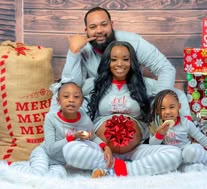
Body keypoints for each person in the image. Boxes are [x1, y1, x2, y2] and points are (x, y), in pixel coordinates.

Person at [62, 41, 182, 178]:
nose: (119, 64)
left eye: (125, 59)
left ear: (132, 62)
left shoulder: (146, 85)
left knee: (175, 155)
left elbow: (176, 95)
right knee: (69, 150)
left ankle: (116, 169)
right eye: (114, 60)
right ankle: (118, 166)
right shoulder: (93, 85)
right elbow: (73, 98)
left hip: (136, 149)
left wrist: (185, 116)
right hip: (101, 149)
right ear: (107, 62)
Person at [50, 6, 190, 116]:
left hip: (133, 92)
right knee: (61, 96)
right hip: (100, 96)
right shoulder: (82, 48)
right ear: (86, 30)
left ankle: (180, 138)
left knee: (176, 95)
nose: (99, 30)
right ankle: (62, 140)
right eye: (93, 27)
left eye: (103, 24)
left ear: (112, 24)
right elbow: (72, 86)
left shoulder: (133, 42)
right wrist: (73, 52)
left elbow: (165, 68)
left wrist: (160, 102)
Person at [1, 81, 111, 177]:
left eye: (76, 97)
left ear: (81, 102)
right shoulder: (51, 118)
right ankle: (11, 166)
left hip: (59, 162)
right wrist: (73, 137)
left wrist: (105, 147)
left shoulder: (84, 119)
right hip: (44, 153)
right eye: (66, 96)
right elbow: (51, 149)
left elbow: (93, 137)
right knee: (38, 173)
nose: (71, 100)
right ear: (58, 101)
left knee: (58, 176)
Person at [148, 89, 207, 170]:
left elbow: (203, 139)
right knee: (195, 169)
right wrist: (160, 134)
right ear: (158, 111)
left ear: (179, 107)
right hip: (176, 160)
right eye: (163, 108)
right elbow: (152, 145)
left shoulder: (186, 123)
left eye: (172, 107)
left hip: (190, 152)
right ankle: (204, 167)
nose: (168, 112)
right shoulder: (158, 125)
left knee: (189, 152)